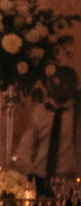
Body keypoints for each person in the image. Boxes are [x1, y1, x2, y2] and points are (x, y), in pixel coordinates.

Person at [17, 66, 80, 195]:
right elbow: (28, 144)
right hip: (41, 177)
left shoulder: (77, 112)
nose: (57, 87)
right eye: (53, 83)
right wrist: (29, 170)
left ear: (72, 85)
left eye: (63, 83)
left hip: (68, 178)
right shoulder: (41, 111)